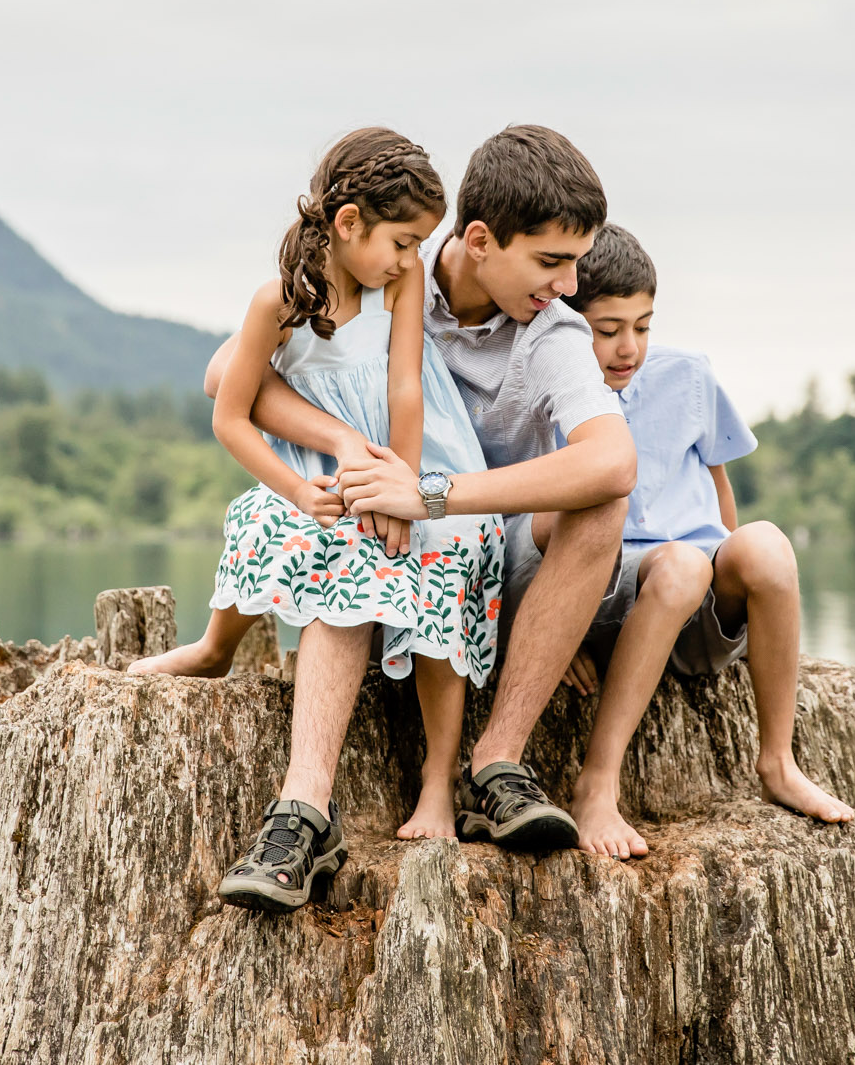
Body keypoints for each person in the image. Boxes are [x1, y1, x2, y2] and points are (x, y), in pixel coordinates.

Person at [210, 123, 637, 874]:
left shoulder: (555, 331)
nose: (571, 285)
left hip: (488, 551)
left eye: (575, 262)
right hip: (385, 521)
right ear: (477, 239)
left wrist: (429, 494)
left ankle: (496, 761)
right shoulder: (387, 268)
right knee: (358, 539)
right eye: (551, 261)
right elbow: (227, 379)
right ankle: (303, 810)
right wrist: (349, 450)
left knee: (603, 501)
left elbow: (613, 459)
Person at [130, 128, 503, 912]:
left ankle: (438, 780)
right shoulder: (277, 302)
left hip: (403, 466)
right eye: (402, 242)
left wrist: (399, 483)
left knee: (436, 549)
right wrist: (299, 490)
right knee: (275, 524)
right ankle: (213, 647)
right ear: (348, 222)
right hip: (313, 481)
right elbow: (230, 418)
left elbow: (406, 390)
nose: (412, 262)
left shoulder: (396, 291)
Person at [555, 223, 855, 860]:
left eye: (643, 325)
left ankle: (777, 762)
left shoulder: (687, 375)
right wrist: (562, 633)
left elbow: (720, 495)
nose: (628, 347)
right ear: (567, 321)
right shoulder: (547, 388)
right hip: (608, 594)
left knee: (765, 544)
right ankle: (598, 786)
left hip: (693, 602)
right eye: (607, 330)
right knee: (681, 566)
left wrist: (745, 584)